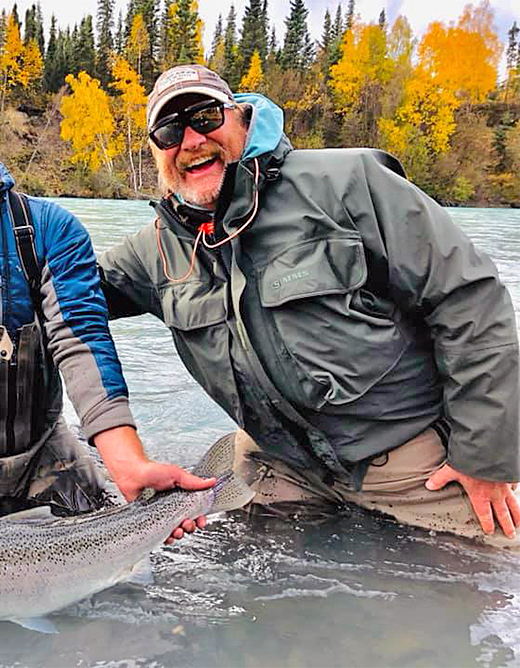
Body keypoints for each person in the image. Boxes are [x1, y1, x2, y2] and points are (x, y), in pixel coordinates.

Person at [98, 64, 520, 547]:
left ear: (239, 119)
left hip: (413, 467)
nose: (191, 139)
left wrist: (483, 456)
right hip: (278, 467)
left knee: (482, 591)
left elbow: (470, 298)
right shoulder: (152, 251)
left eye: (206, 116)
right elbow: (60, 296)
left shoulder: (348, 182)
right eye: (170, 130)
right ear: (155, 151)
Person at [0, 52, 213, 536]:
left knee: (127, 569)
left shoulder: (53, 228)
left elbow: (81, 341)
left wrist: (129, 464)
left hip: (49, 449)